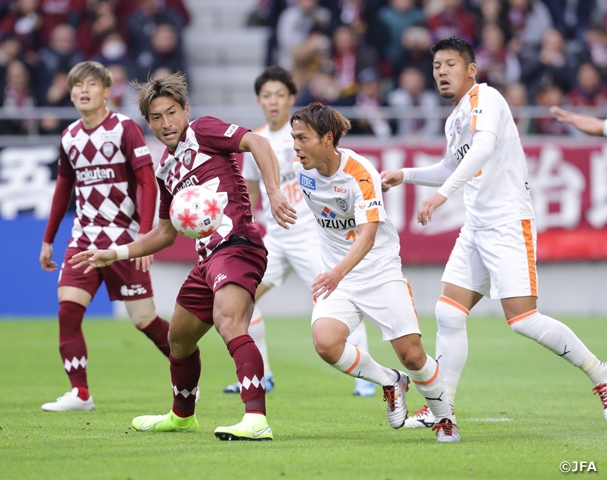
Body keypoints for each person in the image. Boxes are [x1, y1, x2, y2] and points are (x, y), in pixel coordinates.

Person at [381, 37, 607, 428]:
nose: (442, 72)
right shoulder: (455, 118)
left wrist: (440, 197)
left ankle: (601, 375)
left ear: (471, 70)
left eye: (450, 64)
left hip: (506, 222)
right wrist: (408, 175)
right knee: (448, 312)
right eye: (436, 66)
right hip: (477, 226)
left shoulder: (487, 98)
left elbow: (483, 149)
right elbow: (451, 165)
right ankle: (442, 408)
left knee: (523, 319)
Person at [70, 72, 296, 441]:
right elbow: (163, 233)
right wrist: (114, 253)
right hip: (207, 261)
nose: (165, 123)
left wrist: (272, 191)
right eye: (156, 118)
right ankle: (181, 416)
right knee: (179, 339)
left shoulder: (204, 130)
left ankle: (256, 418)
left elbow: (257, 141)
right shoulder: (166, 171)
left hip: (238, 245)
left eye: (171, 113)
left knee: (230, 323)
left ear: (186, 110)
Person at [290, 102, 460, 442]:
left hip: (379, 272)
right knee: (325, 343)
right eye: (293, 138)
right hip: (339, 275)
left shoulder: (359, 172)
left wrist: (336, 272)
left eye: (302, 138)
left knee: (412, 354)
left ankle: (445, 419)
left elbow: (367, 235)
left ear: (327, 139)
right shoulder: (302, 172)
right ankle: (389, 381)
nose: (295, 146)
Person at [222, 65, 375, 397]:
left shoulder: (305, 139)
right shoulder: (254, 141)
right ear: (259, 101)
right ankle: (260, 374)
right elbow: (249, 192)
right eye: (267, 96)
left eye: (280, 95)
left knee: (337, 298)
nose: (273, 102)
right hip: (274, 241)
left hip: (310, 238)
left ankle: (364, 373)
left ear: (291, 98)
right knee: (240, 299)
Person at [39, 61, 171, 412]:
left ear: (106, 90)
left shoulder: (124, 129)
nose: (83, 90)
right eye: (77, 86)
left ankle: (184, 371)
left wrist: (144, 237)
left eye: (91, 84)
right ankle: (80, 394)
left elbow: (147, 182)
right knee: (68, 311)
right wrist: (49, 237)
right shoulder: (69, 137)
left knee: (144, 320)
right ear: (71, 95)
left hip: (123, 241)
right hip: (83, 239)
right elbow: (63, 187)